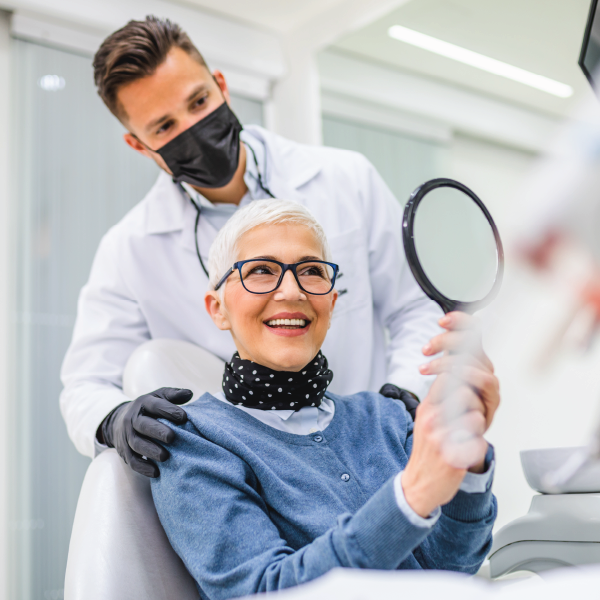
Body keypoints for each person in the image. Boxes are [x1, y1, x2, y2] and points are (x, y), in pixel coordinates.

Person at [60, 16, 442, 476]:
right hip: (254, 479)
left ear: (221, 86)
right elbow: (85, 383)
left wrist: (402, 396)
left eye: (199, 101)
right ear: (139, 145)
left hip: (376, 451)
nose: (193, 129)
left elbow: (415, 309)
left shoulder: (346, 180)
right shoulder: (130, 249)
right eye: (164, 127)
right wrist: (113, 418)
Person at [150, 199, 499, 599]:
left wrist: (467, 463)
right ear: (218, 308)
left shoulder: (387, 418)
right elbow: (262, 591)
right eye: (261, 271)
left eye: (311, 272)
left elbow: (450, 569)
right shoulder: (195, 443)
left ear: (331, 302)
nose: (291, 291)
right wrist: (412, 495)